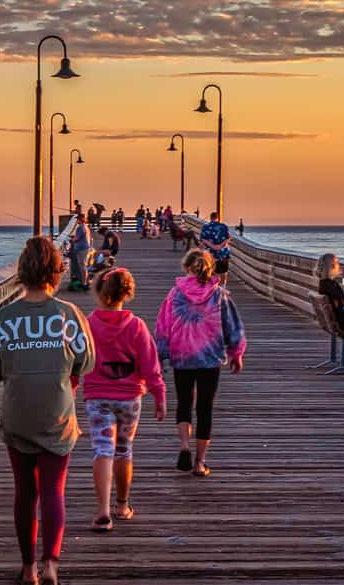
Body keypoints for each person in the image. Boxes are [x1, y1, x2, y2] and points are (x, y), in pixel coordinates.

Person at [0, 237, 95, 585]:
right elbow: (86, 360)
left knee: (25, 491)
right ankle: (51, 568)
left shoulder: (6, 317)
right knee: (53, 490)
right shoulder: (67, 315)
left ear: (22, 273)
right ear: (56, 273)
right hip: (57, 414)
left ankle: (27, 567)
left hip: (18, 415)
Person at [83, 268, 166, 533]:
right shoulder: (137, 326)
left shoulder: (88, 324)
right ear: (128, 293)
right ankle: (121, 505)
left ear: (99, 292)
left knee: (102, 450)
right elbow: (150, 364)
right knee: (123, 450)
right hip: (130, 397)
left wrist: (72, 386)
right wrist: (159, 394)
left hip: (97, 396)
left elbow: (78, 360)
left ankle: (102, 512)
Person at [155, 249, 246, 478]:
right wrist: (236, 353)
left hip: (182, 356)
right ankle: (200, 462)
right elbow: (232, 325)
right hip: (209, 357)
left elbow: (163, 325)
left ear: (187, 268)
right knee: (205, 408)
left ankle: (185, 445)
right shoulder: (219, 295)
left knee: (184, 402)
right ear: (210, 268)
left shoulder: (175, 294)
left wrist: (161, 354)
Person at [200, 211, 232, 285]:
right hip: (223, 252)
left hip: (210, 253)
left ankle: (214, 288)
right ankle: (223, 288)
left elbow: (203, 239)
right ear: (218, 218)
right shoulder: (224, 226)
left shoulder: (206, 227)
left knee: (212, 271)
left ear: (211, 218)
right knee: (224, 271)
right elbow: (228, 238)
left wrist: (213, 246)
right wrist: (220, 246)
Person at [69, 213, 91, 291]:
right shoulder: (86, 227)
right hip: (85, 248)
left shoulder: (80, 227)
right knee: (83, 266)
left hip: (81, 249)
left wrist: (71, 240)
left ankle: (84, 283)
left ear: (80, 219)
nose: (76, 220)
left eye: (77, 219)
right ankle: (84, 282)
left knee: (82, 266)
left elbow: (77, 238)